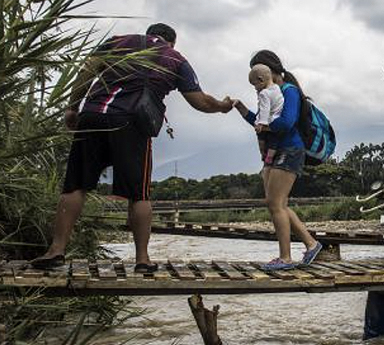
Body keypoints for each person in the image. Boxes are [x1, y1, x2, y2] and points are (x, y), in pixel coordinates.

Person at [28, 24, 234, 272]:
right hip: (132, 122)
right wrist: (222, 106)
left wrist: (73, 108)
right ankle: (142, 260)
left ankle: (56, 250)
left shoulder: (117, 42)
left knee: (75, 185)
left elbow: (86, 72)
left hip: (93, 115)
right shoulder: (175, 58)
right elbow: (200, 101)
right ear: (172, 42)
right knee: (139, 194)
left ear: (147, 33)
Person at [243, 50, 322, 270]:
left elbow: (286, 123)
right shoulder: (268, 93)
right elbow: (260, 122)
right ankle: (311, 244)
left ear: (270, 71)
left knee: (275, 203)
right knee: (279, 203)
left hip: (290, 149)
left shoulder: (289, 91)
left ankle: (285, 257)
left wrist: (265, 126)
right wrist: (242, 109)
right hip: (275, 151)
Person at [234, 64, 284, 165]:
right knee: (274, 142)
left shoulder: (264, 93)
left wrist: (262, 123)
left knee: (261, 138)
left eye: (255, 85)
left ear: (261, 80)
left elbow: (265, 109)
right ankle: (270, 157)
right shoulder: (277, 88)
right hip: (275, 120)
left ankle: (263, 154)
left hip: (266, 122)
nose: (255, 88)